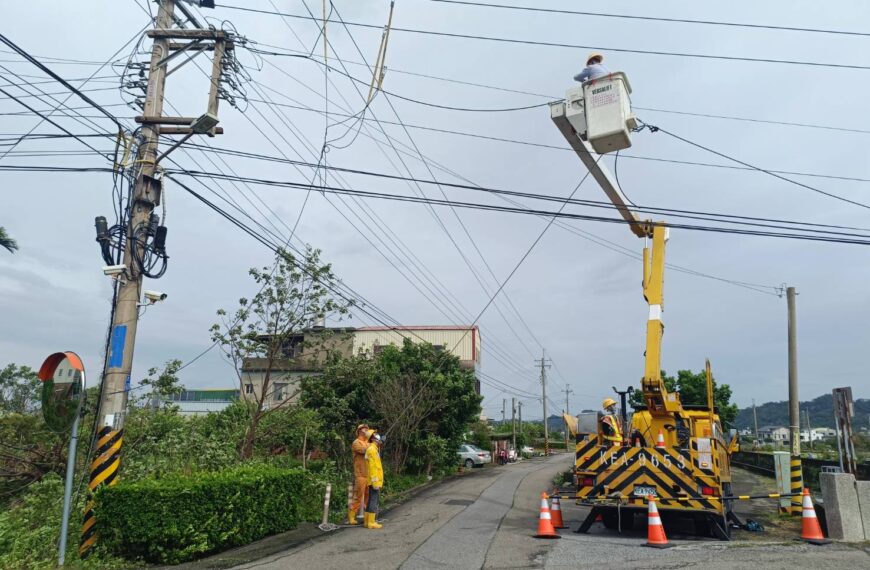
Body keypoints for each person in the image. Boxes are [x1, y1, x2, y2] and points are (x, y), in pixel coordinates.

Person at [348, 423, 370, 525]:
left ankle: (367, 517)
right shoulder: (356, 442)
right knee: (358, 496)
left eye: (367, 429)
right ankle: (351, 517)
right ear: (360, 430)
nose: (366, 430)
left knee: (368, 496)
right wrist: (372, 446)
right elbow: (364, 451)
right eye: (364, 429)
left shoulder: (368, 442)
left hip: (369, 474)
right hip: (360, 474)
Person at [364, 431, 385, 529]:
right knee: (373, 500)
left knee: (370, 500)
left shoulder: (373, 449)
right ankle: (371, 523)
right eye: (377, 437)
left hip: (372, 480)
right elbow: (373, 467)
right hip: (374, 480)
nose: (379, 439)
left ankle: (366, 521)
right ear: (372, 439)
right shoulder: (372, 450)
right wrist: (375, 481)